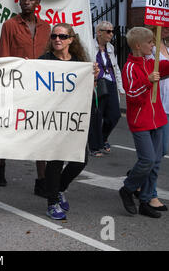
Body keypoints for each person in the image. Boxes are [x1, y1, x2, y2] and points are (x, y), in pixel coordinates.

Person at [0, 0, 51, 193]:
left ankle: (42, 179)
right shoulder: (10, 25)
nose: (26, 2)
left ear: (38, 4)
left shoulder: (47, 28)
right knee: (9, 127)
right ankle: (0, 164)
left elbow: (52, 57)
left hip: (40, 87)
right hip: (16, 85)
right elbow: (3, 55)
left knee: (39, 130)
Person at [38, 23, 95, 220]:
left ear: (71, 39)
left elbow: (88, 87)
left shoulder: (80, 63)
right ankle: (52, 203)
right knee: (55, 160)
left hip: (74, 118)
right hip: (53, 118)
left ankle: (60, 188)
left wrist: (94, 75)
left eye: (62, 36)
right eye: (54, 36)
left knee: (81, 159)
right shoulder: (44, 60)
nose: (57, 40)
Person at [119, 27, 169, 219]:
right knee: (147, 160)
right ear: (138, 45)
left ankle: (146, 200)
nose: (152, 45)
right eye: (150, 42)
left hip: (158, 119)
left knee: (155, 161)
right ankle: (128, 189)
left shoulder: (152, 62)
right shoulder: (130, 67)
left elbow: (165, 68)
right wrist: (148, 81)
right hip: (141, 121)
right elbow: (132, 96)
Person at [88, 21, 125, 157]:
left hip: (111, 83)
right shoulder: (90, 46)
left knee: (114, 115)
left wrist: (120, 87)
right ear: (99, 32)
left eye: (112, 31)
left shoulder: (111, 47)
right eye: (108, 31)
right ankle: (94, 147)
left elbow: (115, 68)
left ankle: (103, 138)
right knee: (96, 116)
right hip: (97, 83)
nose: (111, 34)